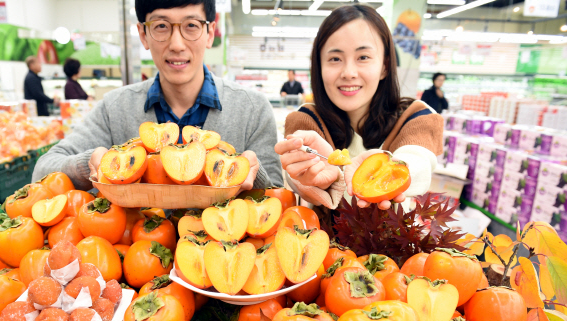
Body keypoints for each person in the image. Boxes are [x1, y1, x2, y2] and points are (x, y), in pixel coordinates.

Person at [32, 0, 283, 191]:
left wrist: (254, 172)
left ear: (210, 33)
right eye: (161, 26)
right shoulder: (115, 108)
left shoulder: (252, 109)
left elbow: (277, 196)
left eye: (191, 26)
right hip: (137, 256)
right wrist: (88, 163)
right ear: (143, 35)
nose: (176, 44)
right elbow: (42, 170)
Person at [275, 4, 441, 227]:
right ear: (319, 66)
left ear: (384, 66)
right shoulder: (304, 119)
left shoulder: (417, 116)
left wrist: (382, 171)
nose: (348, 73)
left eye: (363, 57)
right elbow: (300, 179)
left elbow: (417, 161)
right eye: (335, 59)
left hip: (393, 256)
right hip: (321, 253)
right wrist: (312, 175)